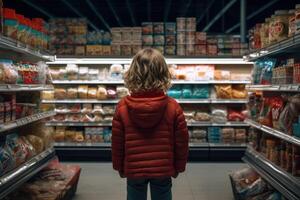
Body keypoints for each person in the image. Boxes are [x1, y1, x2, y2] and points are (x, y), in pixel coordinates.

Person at [112, 48, 189, 200]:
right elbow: (182, 141)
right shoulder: (173, 106)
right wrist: (179, 167)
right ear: (163, 74)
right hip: (163, 169)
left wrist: (119, 167)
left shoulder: (122, 107)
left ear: (132, 73)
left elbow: (117, 142)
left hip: (134, 169)